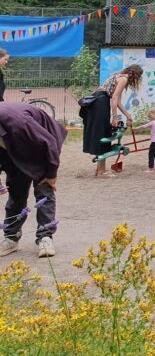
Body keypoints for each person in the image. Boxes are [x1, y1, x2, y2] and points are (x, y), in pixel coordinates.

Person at [0, 102, 66, 258]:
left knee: (44, 189)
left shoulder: (19, 123)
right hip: (12, 148)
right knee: (16, 191)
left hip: (41, 146)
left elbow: (49, 142)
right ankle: (11, 238)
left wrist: (51, 174)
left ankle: (45, 237)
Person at [80, 64, 143, 177]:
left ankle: (99, 169)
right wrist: (115, 117)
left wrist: (127, 115)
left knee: (101, 134)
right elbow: (114, 98)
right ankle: (101, 171)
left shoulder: (119, 76)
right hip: (101, 103)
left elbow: (117, 102)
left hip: (97, 102)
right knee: (103, 134)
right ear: (135, 75)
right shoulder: (123, 79)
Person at [132, 108, 155, 173]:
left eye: (150, 117)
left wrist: (135, 128)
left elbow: (144, 126)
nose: (150, 118)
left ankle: (151, 168)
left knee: (151, 154)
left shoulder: (153, 122)